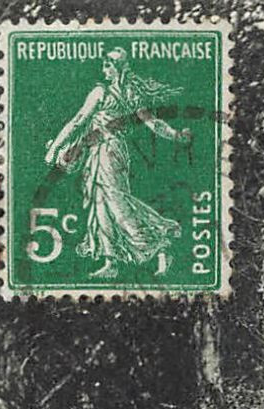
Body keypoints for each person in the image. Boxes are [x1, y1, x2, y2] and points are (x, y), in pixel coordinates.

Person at [44, 48, 192, 279]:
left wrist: (55, 148)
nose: (104, 69)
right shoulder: (131, 93)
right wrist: (175, 135)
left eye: (108, 65)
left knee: (115, 203)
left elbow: (78, 121)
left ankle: (160, 245)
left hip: (107, 151)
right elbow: (154, 123)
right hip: (109, 151)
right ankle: (110, 262)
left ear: (118, 68)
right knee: (101, 203)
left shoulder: (101, 92)